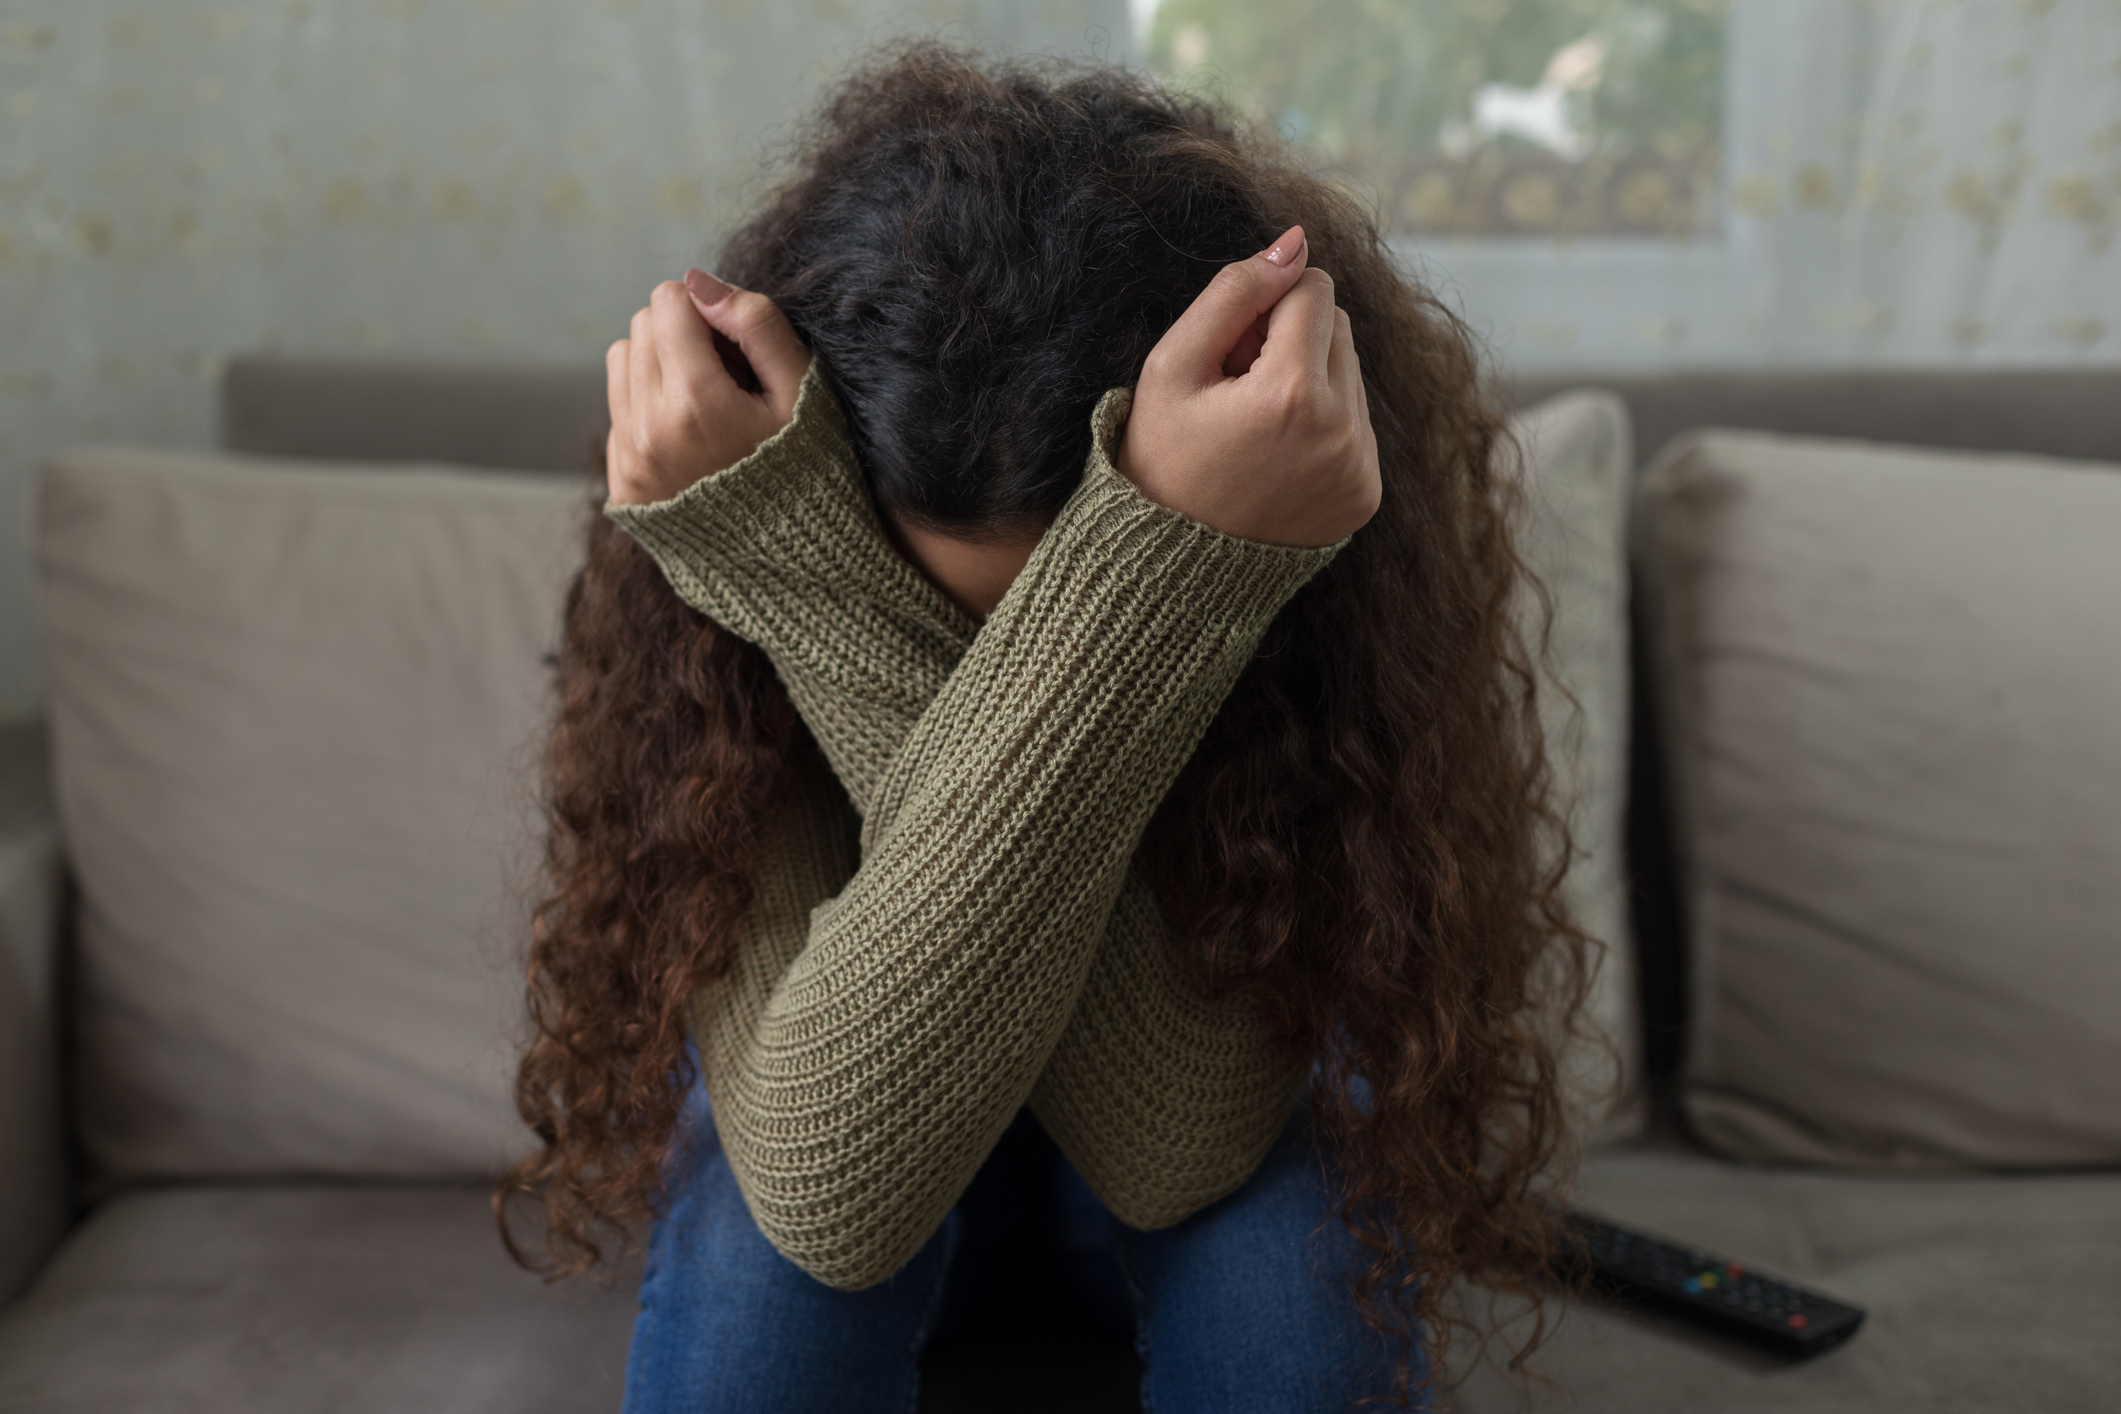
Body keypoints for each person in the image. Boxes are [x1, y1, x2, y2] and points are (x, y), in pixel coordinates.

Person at [500, 42, 1589, 1414]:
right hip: (849, 1104)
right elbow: (832, 1188)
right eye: (918, 608)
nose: (994, 658)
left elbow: (1175, 1150)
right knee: (760, 1258)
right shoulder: (733, 559)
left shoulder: (1312, 545)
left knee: (1296, 1287)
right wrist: (789, 568)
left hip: (1161, 1132)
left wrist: (1177, 577)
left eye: (1066, 611)